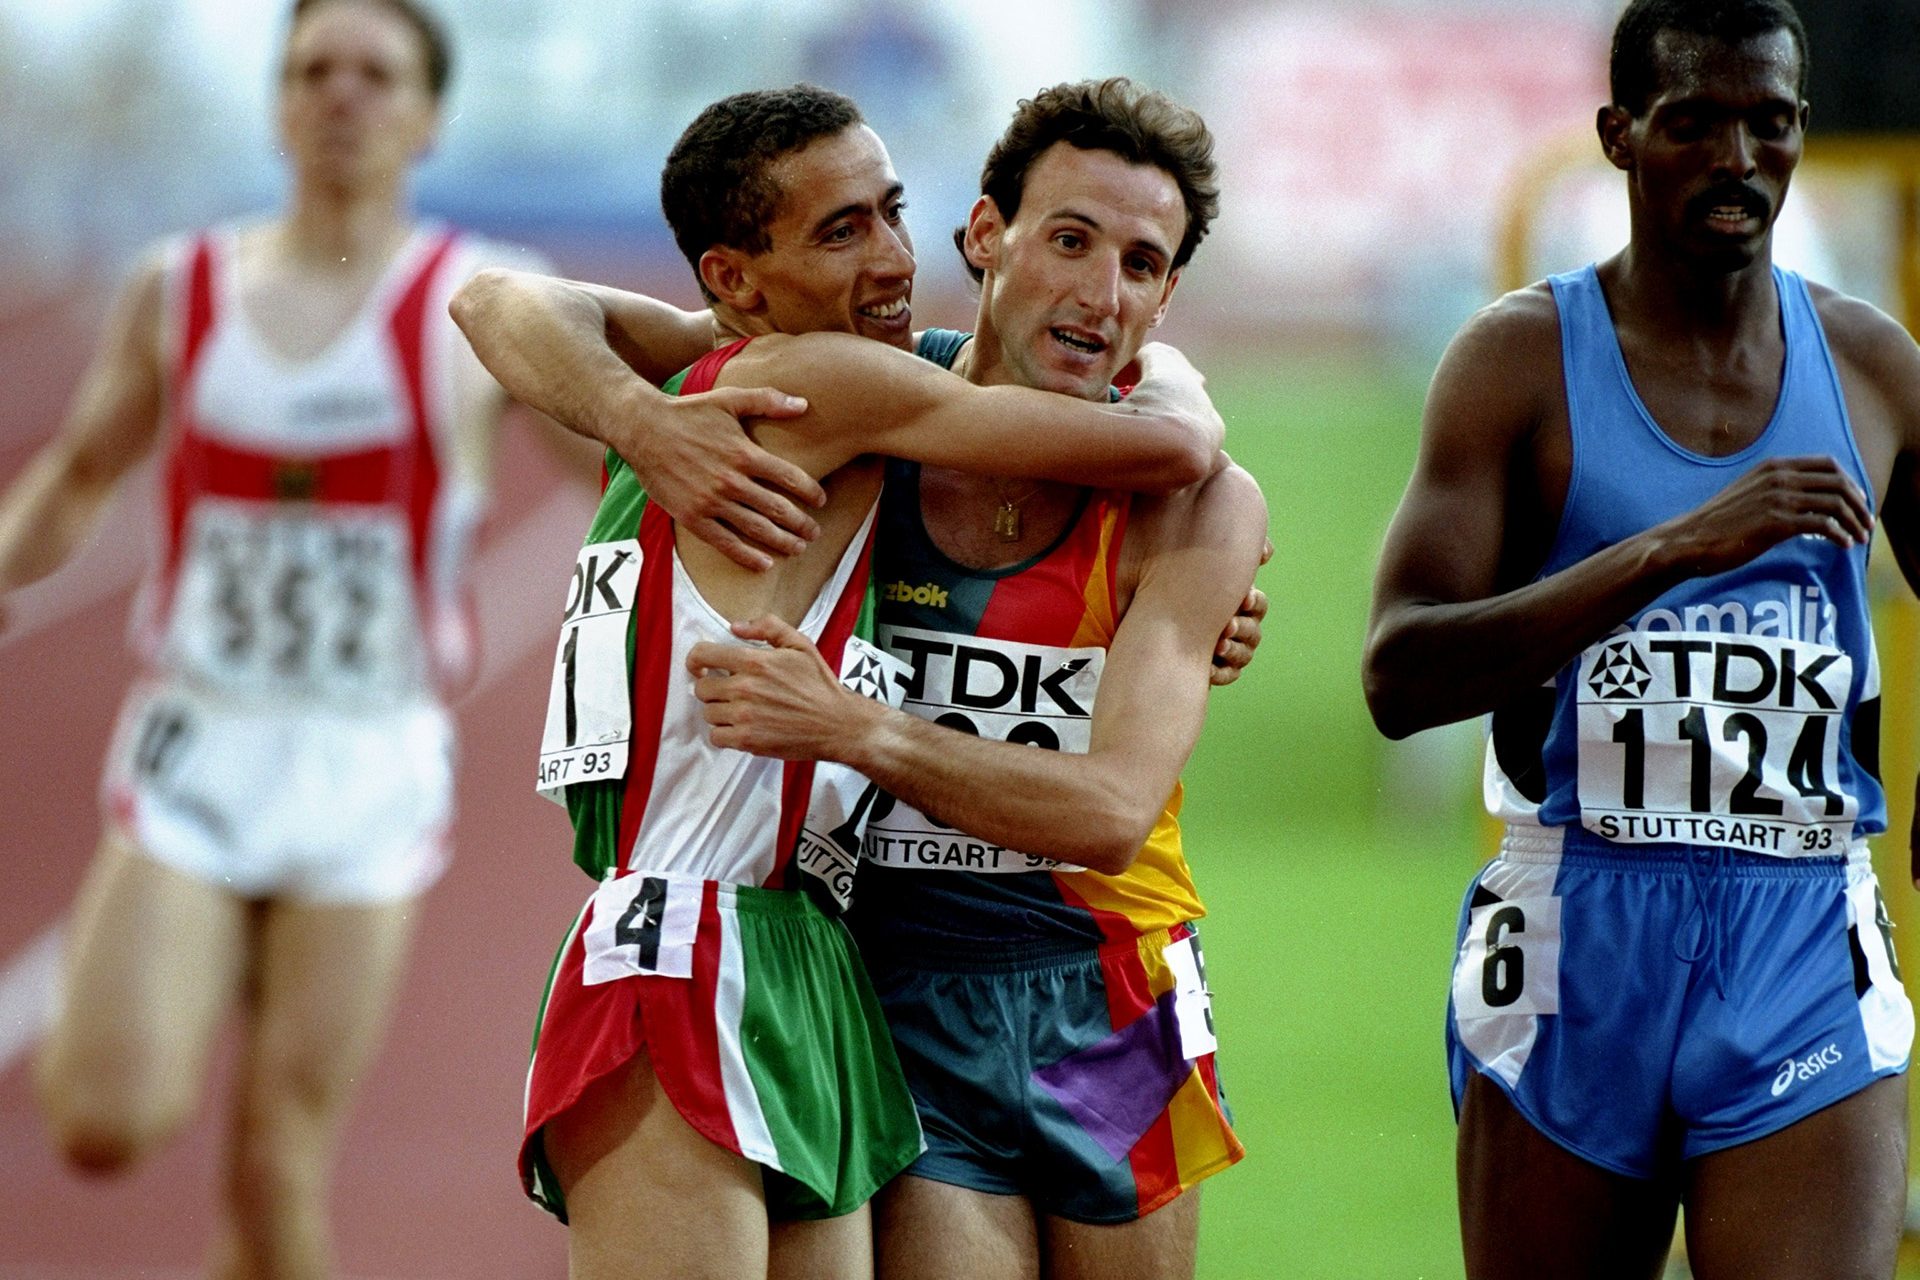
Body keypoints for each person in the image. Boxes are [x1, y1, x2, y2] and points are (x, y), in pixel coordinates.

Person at [458, 78, 1267, 1280]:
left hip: (1088, 987)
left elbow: (1111, 805)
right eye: (1070, 240)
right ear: (988, 235)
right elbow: (497, 298)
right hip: (859, 970)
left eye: (1142, 264)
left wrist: (861, 726)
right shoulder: (840, 392)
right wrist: (639, 418)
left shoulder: (1164, 496)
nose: (1102, 292)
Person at [0, 1, 561, 1274]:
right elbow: (80, 476)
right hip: (203, 735)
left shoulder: (481, 308)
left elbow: (607, 485)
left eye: (376, 74)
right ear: (276, 102)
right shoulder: (179, 288)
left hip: (368, 756)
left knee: (277, 1160)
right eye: (313, 70)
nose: (341, 96)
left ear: (425, 118)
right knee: (101, 1112)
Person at [1363, 1, 1919, 1275]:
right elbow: (1400, 672)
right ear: (1619, 135)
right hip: (1577, 920)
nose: (1738, 159)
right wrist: (1665, 549)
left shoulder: (1872, 368)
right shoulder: (1519, 360)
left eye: (1769, 124)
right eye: (1695, 124)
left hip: (1798, 918)